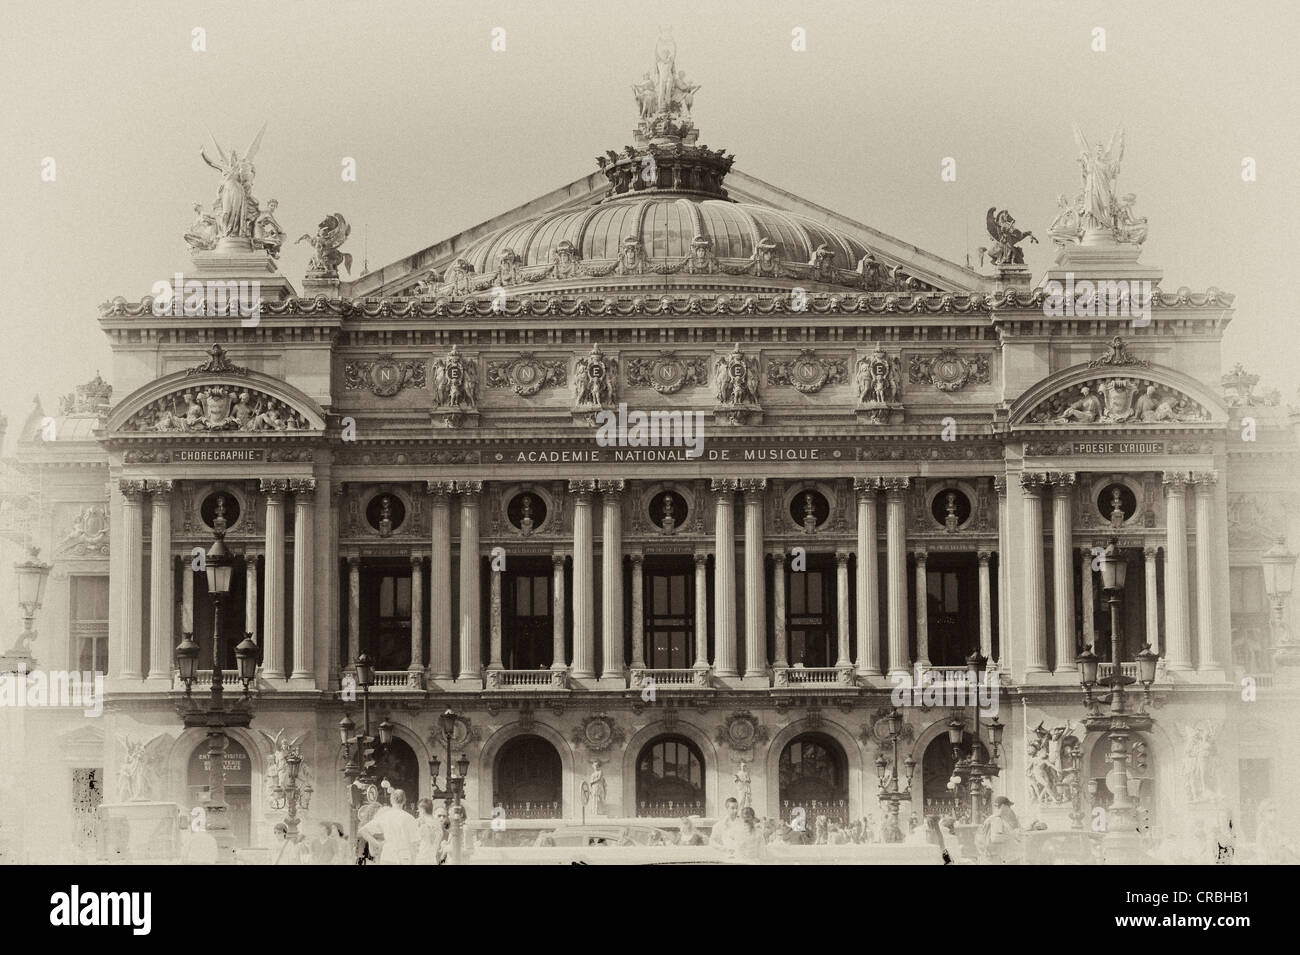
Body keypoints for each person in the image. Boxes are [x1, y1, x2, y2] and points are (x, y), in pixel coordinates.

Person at [358, 788, 421, 865]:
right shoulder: (410, 818)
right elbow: (415, 844)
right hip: (404, 857)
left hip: (388, 856)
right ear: (404, 801)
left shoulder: (385, 816)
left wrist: (377, 844)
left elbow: (363, 831)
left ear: (391, 800)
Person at [977, 796, 1023, 865]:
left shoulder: (993, 818)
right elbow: (995, 838)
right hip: (995, 858)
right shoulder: (997, 820)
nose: (1009, 809)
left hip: (993, 856)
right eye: (1009, 807)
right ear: (1003, 806)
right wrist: (1012, 835)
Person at [416, 798, 445, 865]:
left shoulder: (422, 824)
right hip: (433, 860)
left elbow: (415, 843)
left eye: (419, 811)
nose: (419, 813)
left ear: (422, 810)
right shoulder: (438, 825)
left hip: (421, 859)